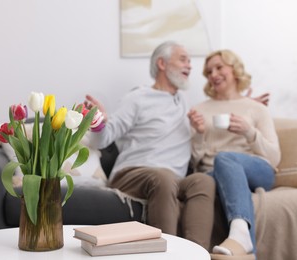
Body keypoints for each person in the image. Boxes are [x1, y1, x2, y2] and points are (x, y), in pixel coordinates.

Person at [84, 41, 216, 250]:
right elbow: (105, 138)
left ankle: (196, 254)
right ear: (162, 64)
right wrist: (98, 122)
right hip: (134, 173)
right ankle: (164, 256)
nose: (190, 66)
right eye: (183, 59)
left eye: (190, 61)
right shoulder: (138, 98)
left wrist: (199, 133)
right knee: (163, 178)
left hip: (173, 179)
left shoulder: (183, 101)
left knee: (203, 181)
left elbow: (195, 151)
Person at [188, 50, 280, 260]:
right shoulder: (200, 110)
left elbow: (274, 157)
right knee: (205, 177)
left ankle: (240, 235)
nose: (213, 74)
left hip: (257, 169)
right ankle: (245, 247)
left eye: (219, 67)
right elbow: (194, 161)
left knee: (225, 157)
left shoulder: (256, 108)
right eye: (209, 71)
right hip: (215, 174)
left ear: (234, 69)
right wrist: (200, 134)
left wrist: (249, 132)